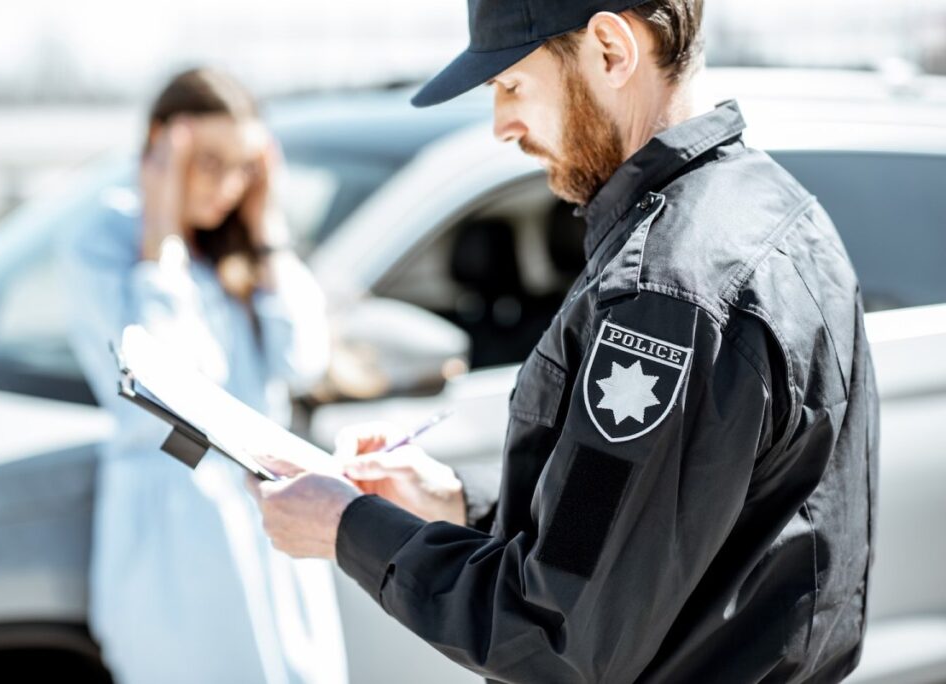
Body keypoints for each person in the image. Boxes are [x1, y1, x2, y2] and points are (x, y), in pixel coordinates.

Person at [246, 1, 879, 682]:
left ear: (610, 49)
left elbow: (556, 636)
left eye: (512, 85)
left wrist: (349, 529)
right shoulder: (780, 211)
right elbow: (657, 526)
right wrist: (456, 501)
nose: (501, 126)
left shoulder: (666, 294)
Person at [60, 67, 347, 684]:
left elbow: (303, 358)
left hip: (268, 513)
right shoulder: (103, 240)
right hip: (173, 520)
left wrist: (267, 227)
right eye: (208, 161)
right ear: (163, 145)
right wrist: (160, 228)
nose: (227, 185)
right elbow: (161, 381)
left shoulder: (236, 245)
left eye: (243, 166)